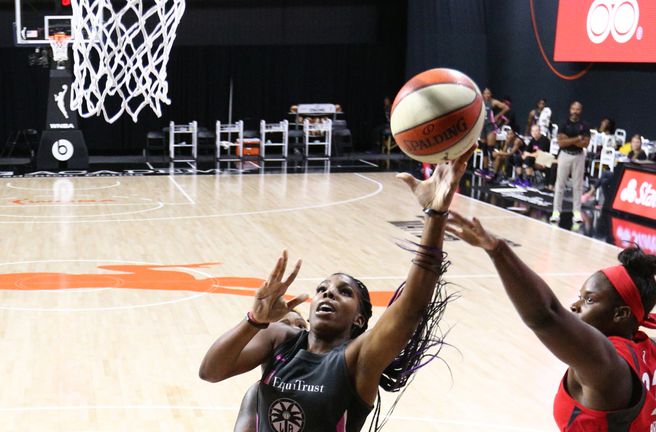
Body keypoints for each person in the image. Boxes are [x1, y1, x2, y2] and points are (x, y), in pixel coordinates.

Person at [200, 145, 475, 432]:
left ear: (359, 318)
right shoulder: (281, 340)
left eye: (344, 292)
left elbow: (410, 310)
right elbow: (210, 372)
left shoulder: (358, 359)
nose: (328, 293)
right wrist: (254, 321)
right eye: (322, 288)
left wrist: (435, 214)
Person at [446, 213, 656, 431]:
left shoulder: (606, 366)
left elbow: (546, 317)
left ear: (620, 314)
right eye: (580, 296)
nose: (575, 305)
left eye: (590, 300)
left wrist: (497, 250)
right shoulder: (648, 350)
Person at [234, 309, 308, 432]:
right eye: (284, 324)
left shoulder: (325, 379)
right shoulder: (257, 392)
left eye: (301, 325)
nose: (295, 329)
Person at [550, 101, 590, 224]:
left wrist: (569, 140)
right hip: (565, 154)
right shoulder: (563, 124)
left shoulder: (584, 125)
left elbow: (585, 144)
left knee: (578, 185)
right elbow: (561, 143)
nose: (575, 111)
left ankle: (577, 213)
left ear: (580, 111)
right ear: (570, 109)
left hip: (579, 156)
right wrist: (577, 138)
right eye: (573, 108)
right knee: (560, 184)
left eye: (577, 109)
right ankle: (556, 212)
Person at [476, 88, 510, 178]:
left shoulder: (493, 102)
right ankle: (486, 169)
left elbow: (506, 107)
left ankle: (495, 172)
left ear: (491, 94)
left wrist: (498, 115)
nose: (487, 95)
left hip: (490, 127)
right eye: (485, 93)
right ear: (483, 94)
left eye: (488, 93)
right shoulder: (480, 102)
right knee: (484, 149)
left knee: (491, 150)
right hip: (483, 127)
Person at [519, 124, 555, 188]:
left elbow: (539, 153)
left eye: (536, 131)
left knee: (528, 159)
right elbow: (526, 150)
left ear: (540, 131)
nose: (534, 133)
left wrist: (528, 154)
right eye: (532, 131)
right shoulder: (533, 140)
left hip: (544, 161)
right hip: (535, 159)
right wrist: (525, 154)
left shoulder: (544, 140)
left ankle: (528, 180)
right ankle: (520, 179)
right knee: (518, 158)